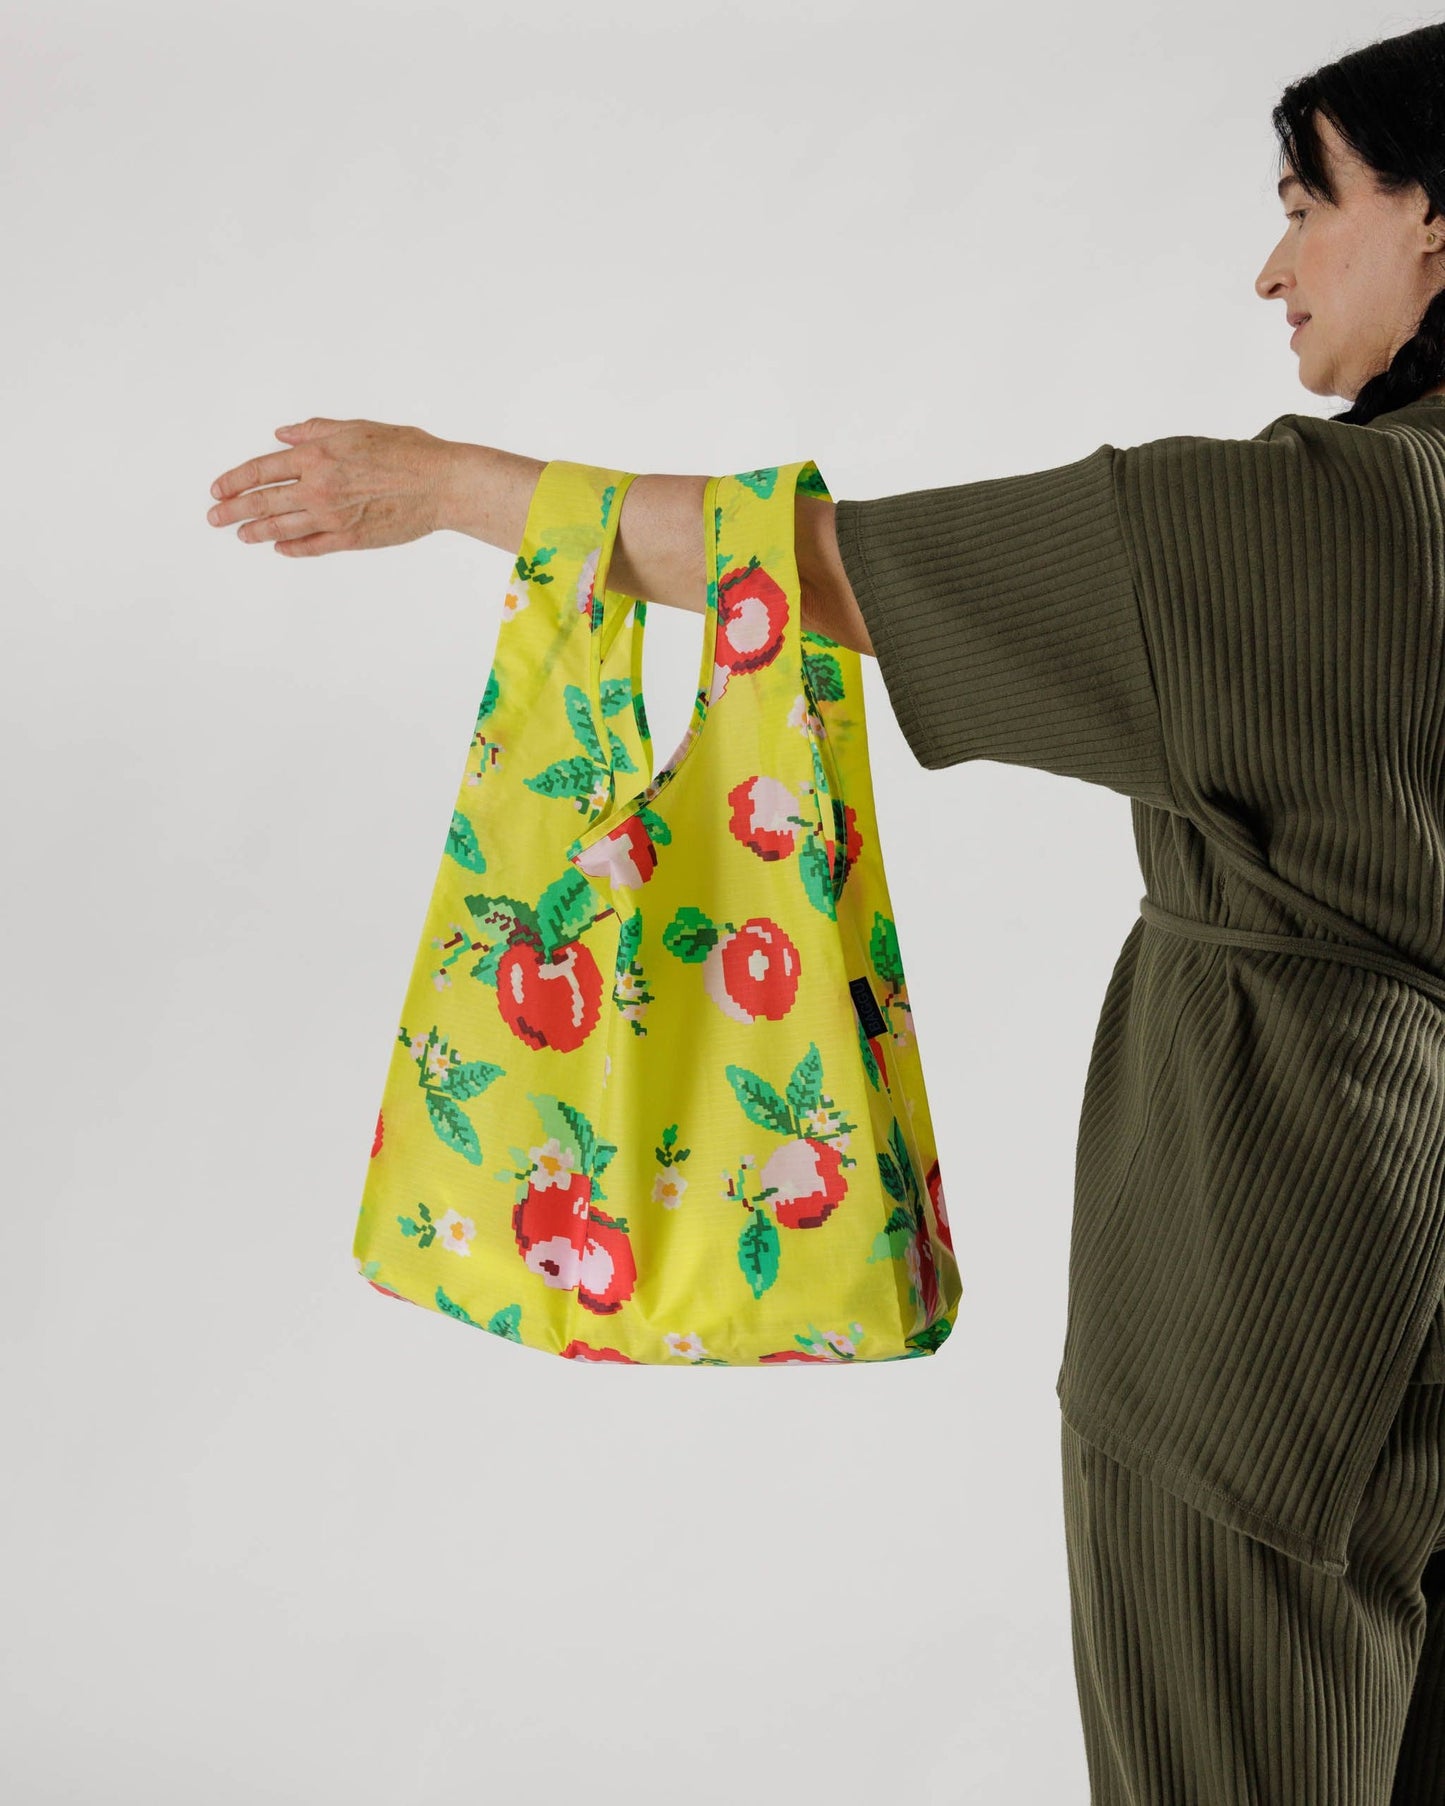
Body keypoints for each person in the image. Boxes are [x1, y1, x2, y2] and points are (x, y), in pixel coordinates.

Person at [205, 19, 1445, 1800]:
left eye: (1306, 204)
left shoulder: (1306, 526)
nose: (1272, 266)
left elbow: (812, 571)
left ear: (1433, 219)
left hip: (1283, 1278)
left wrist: (452, 486)